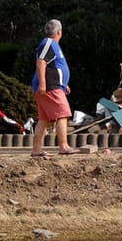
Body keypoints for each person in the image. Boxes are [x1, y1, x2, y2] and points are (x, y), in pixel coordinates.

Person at [31, 19, 76, 156]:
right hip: (50, 87)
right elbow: (41, 62)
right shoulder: (49, 43)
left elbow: (54, 66)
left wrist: (63, 83)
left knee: (44, 119)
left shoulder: (52, 45)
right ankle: (63, 146)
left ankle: (36, 149)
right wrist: (43, 84)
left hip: (54, 86)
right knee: (63, 114)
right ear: (59, 32)